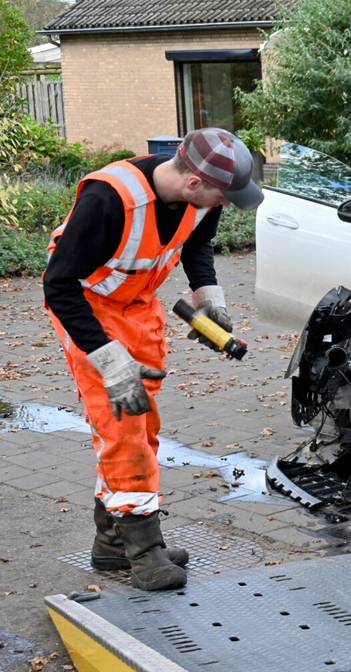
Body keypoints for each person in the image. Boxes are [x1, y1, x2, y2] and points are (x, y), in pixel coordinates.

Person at [43, 128, 263, 591]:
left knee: (143, 425)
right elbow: (59, 285)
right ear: (194, 183)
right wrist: (108, 359)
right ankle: (143, 551)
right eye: (224, 196)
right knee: (121, 427)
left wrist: (210, 301)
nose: (225, 205)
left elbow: (197, 246)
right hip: (87, 311)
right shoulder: (107, 200)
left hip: (140, 308)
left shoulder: (201, 202)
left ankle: (112, 543)